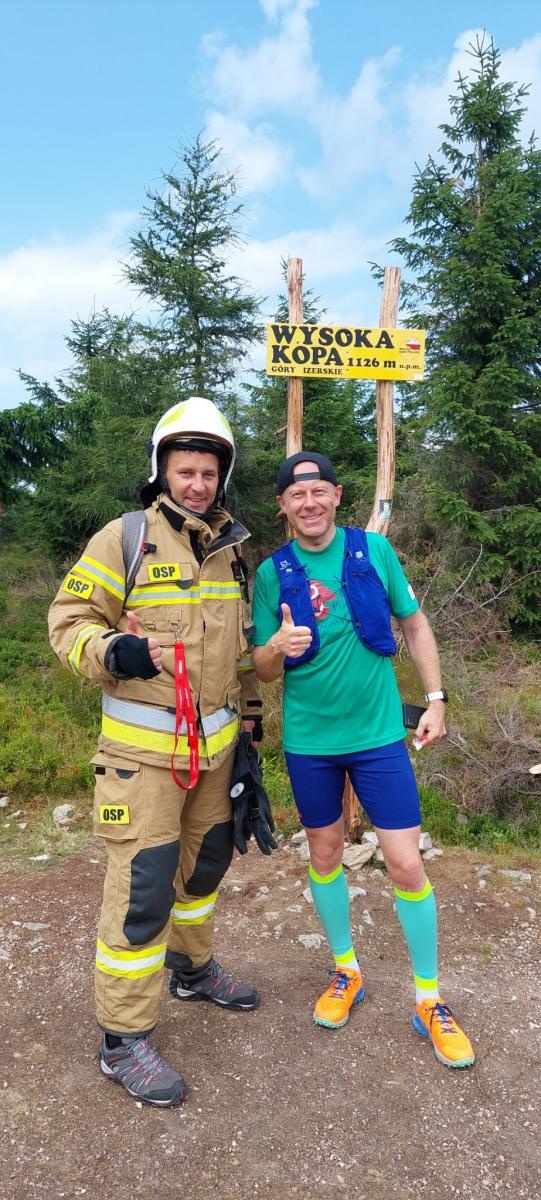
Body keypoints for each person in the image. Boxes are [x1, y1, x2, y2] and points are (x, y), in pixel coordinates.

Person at [48, 396, 265, 1107]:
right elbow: (69, 622)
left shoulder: (234, 550)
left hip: (216, 753)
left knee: (202, 872)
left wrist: (252, 738)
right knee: (143, 893)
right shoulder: (127, 537)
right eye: (185, 470)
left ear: (221, 475)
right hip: (141, 762)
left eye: (208, 471)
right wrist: (118, 648)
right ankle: (122, 1038)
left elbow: (234, 658)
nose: (197, 483)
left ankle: (192, 969)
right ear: (162, 470)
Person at [251, 451, 475, 1069]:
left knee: (405, 862)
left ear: (337, 495)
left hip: (378, 737)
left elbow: (415, 624)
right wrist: (275, 646)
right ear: (283, 506)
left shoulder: (372, 552)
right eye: (297, 496)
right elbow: (264, 670)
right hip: (309, 742)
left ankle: (429, 1001)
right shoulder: (272, 574)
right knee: (323, 853)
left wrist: (436, 700)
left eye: (319, 492)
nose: (309, 504)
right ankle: (345, 970)